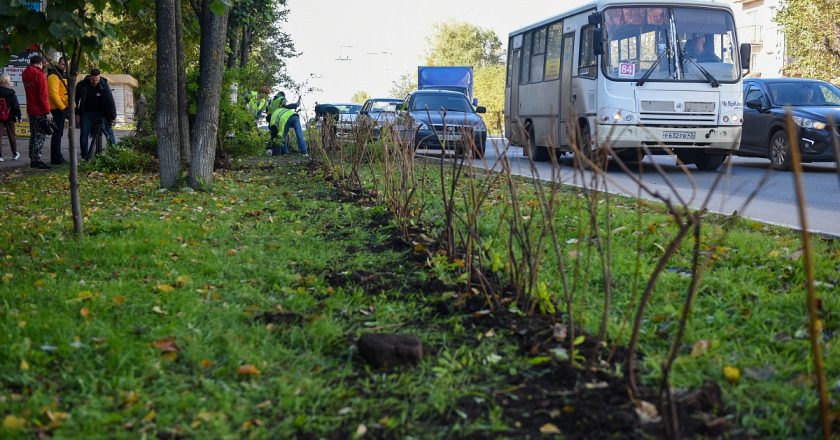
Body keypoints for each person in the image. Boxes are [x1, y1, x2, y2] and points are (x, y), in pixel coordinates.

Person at [75, 68, 117, 160]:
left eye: (97, 80)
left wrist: (113, 117)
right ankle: (84, 156)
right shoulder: (82, 85)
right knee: (84, 134)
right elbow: (75, 100)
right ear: (90, 77)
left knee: (109, 132)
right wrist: (76, 113)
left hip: (102, 113)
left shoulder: (104, 85)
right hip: (86, 112)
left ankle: (115, 153)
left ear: (99, 77)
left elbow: (110, 102)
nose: (95, 82)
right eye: (93, 80)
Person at [22, 55, 53, 169]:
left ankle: (33, 158)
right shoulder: (39, 75)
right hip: (40, 110)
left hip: (31, 109)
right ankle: (36, 160)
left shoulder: (25, 73)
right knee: (40, 136)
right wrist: (47, 111)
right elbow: (43, 95)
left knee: (33, 135)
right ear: (40, 63)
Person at [47, 57, 68, 164]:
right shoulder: (54, 75)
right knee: (57, 133)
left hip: (61, 108)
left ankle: (57, 157)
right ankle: (56, 158)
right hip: (57, 109)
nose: (64, 66)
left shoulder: (63, 75)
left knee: (59, 134)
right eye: (63, 64)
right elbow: (54, 95)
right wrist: (63, 108)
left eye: (66, 64)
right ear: (59, 64)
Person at [0, 74, 22, 162]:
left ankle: (0, 156)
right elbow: (16, 106)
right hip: (10, 117)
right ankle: (14, 153)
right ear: (6, 82)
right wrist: (19, 116)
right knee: (12, 135)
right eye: (9, 81)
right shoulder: (11, 93)